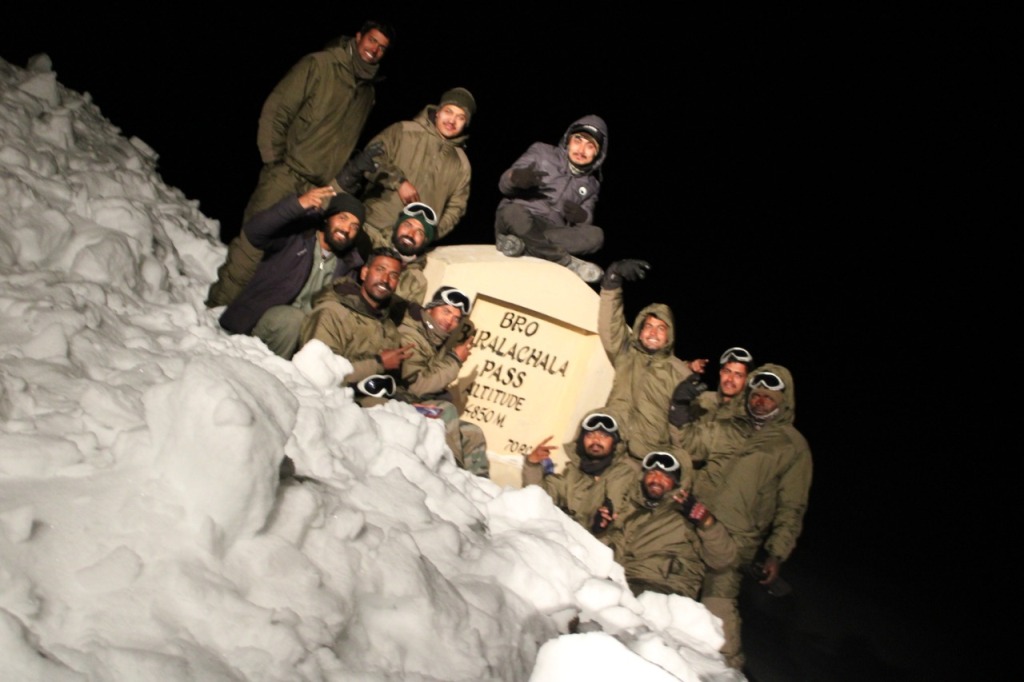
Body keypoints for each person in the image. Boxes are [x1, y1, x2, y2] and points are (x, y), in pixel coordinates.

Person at [206, 20, 395, 308]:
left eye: (382, 47)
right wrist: (274, 163)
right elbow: (277, 109)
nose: (375, 50)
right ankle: (219, 307)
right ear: (358, 37)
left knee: (287, 257)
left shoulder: (367, 93)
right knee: (252, 245)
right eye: (372, 41)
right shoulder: (319, 65)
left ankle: (249, 319)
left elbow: (341, 139)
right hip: (288, 173)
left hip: (320, 189)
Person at [680, 364, 813, 671]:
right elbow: (688, 445)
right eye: (757, 394)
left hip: (736, 541)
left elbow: (792, 506)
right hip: (692, 524)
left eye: (770, 396)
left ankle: (727, 672)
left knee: (718, 611)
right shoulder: (727, 424)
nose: (761, 400)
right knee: (675, 601)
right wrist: (681, 405)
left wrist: (776, 553)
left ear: (784, 399)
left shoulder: (792, 446)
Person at [348, 87, 476, 303]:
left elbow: (456, 209)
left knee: (381, 302)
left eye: (460, 117)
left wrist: (430, 232)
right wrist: (398, 181)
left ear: (465, 124)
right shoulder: (403, 130)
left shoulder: (462, 164)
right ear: (437, 111)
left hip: (407, 248)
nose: (452, 120)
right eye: (448, 112)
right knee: (345, 285)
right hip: (372, 227)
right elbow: (370, 160)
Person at [218, 188, 366, 360]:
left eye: (354, 227)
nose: (346, 229)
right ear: (327, 217)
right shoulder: (297, 237)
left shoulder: (347, 267)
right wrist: (297, 205)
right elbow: (254, 231)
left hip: (301, 337)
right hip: (260, 324)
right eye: (342, 218)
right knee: (293, 319)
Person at [597, 259, 708, 471]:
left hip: (647, 466)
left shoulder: (681, 374)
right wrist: (613, 279)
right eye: (648, 326)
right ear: (639, 329)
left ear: (669, 336)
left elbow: (690, 434)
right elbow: (609, 323)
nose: (653, 333)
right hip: (610, 454)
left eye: (660, 328)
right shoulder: (626, 353)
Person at [593, 450, 737, 599]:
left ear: (678, 482)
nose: (656, 479)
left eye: (666, 476)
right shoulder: (629, 511)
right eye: (653, 473)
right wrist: (601, 532)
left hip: (666, 592)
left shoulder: (688, 516)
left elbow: (723, 560)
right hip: (623, 586)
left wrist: (706, 522)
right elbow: (608, 558)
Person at [494, 115, 609, 284]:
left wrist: (583, 217)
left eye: (590, 146)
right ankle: (564, 261)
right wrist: (515, 178)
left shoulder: (592, 184)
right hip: (520, 218)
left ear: (597, 155)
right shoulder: (541, 151)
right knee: (514, 212)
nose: (581, 150)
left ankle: (522, 246)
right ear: (568, 141)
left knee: (597, 236)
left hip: (550, 231)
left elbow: (587, 219)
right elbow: (503, 185)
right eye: (578, 140)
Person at [398, 285, 489, 477]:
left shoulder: (435, 337)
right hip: (399, 401)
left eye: (456, 318)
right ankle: (451, 478)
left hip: (415, 402)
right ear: (430, 309)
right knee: (445, 412)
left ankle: (480, 489)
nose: (450, 321)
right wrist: (454, 360)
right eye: (446, 312)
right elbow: (417, 386)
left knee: (473, 433)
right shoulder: (411, 335)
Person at [297, 246, 413, 387]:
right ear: (364, 273)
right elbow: (319, 375)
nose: (385, 280)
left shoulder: (388, 328)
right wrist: (378, 363)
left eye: (394, 275)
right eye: (380, 270)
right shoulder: (332, 313)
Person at [520, 411, 636, 535]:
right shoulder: (572, 474)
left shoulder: (625, 476)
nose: (596, 440)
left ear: (615, 442)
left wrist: (600, 526)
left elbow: (622, 524)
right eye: (590, 435)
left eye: (603, 435)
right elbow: (537, 496)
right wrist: (532, 464)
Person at [364, 201, 439, 305]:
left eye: (419, 232)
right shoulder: (369, 240)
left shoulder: (417, 282)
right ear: (397, 226)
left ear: (425, 241)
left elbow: (409, 320)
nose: (410, 234)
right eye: (407, 225)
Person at [668, 346, 754, 436]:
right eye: (727, 371)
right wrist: (679, 404)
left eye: (738, 375)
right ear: (720, 372)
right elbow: (680, 434)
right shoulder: (703, 400)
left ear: (746, 380)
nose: (730, 379)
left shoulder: (750, 413)